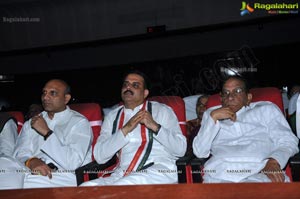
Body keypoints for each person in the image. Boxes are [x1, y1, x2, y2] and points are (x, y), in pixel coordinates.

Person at [81, 70, 186, 186]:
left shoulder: (162, 111)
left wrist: (155, 126)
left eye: (135, 85)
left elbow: (180, 149)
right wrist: (125, 129)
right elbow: (100, 157)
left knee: (124, 185)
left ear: (145, 93)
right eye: (125, 84)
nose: (128, 87)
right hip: (122, 174)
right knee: (86, 187)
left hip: (158, 170)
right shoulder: (112, 117)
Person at [193, 75, 299, 183]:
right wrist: (212, 119)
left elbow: (288, 141)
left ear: (248, 97)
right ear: (221, 98)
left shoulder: (266, 109)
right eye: (226, 93)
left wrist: (274, 161)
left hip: (261, 173)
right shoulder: (211, 114)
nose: (230, 97)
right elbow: (200, 152)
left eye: (237, 91)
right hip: (221, 176)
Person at [0, 79, 93, 189]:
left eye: (52, 93)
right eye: (44, 93)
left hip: (61, 175)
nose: (45, 97)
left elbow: (73, 162)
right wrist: (31, 161)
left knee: (12, 184)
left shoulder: (79, 123)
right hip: (28, 171)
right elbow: (19, 153)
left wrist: (47, 133)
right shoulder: (31, 122)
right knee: (4, 162)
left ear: (66, 98)